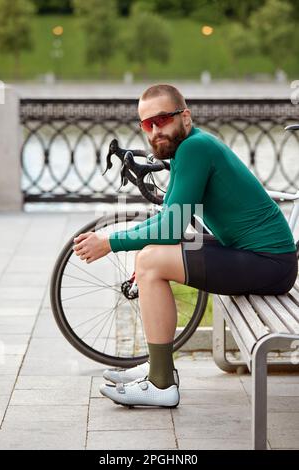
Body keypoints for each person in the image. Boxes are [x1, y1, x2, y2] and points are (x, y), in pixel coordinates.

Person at [73, 84, 298, 408]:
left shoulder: (195, 148)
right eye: (146, 125)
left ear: (185, 116)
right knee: (147, 254)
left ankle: (161, 384)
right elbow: (171, 217)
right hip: (261, 258)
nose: (155, 131)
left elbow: (171, 228)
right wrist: (124, 238)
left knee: (150, 261)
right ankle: (159, 368)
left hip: (269, 263)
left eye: (162, 119)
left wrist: (110, 240)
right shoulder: (189, 147)